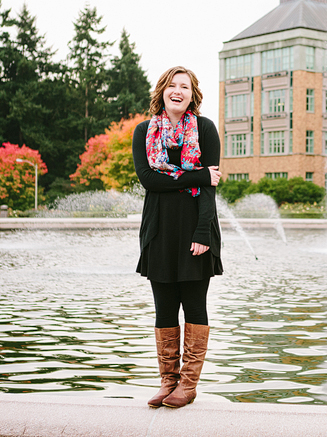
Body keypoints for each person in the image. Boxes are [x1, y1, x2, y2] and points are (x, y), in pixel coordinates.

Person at [132, 66, 222, 408]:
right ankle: (167, 382)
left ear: (192, 94)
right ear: (163, 91)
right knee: (164, 307)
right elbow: (149, 181)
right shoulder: (144, 131)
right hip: (158, 230)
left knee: (194, 304)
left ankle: (188, 385)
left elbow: (210, 190)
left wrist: (204, 232)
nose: (178, 91)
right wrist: (198, 174)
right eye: (173, 85)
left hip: (195, 228)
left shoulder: (205, 129)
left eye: (185, 86)